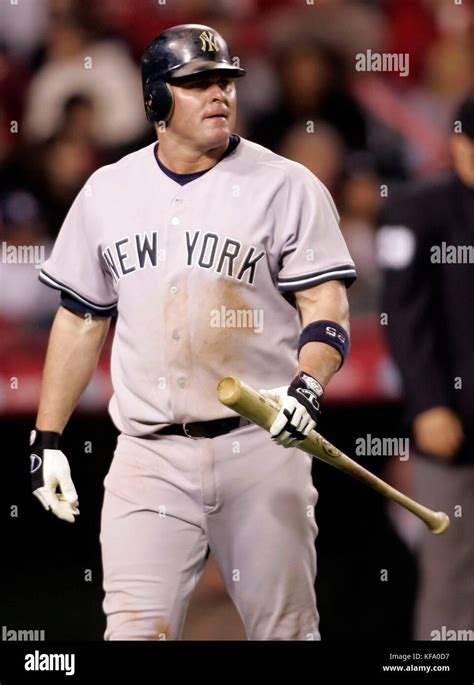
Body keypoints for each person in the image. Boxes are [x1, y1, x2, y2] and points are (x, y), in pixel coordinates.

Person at [29, 24, 356, 641]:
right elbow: (80, 319)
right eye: (197, 83)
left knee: (285, 631)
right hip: (148, 454)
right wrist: (47, 435)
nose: (219, 95)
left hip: (261, 445)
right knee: (131, 632)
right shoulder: (108, 191)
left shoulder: (287, 185)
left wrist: (307, 387)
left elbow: (326, 304)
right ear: (156, 100)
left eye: (226, 81)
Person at [379, 93, 474, 640]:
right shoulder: (421, 209)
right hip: (453, 429)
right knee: (451, 585)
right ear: (459, 146)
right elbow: (403, 316)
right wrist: (429, 402)